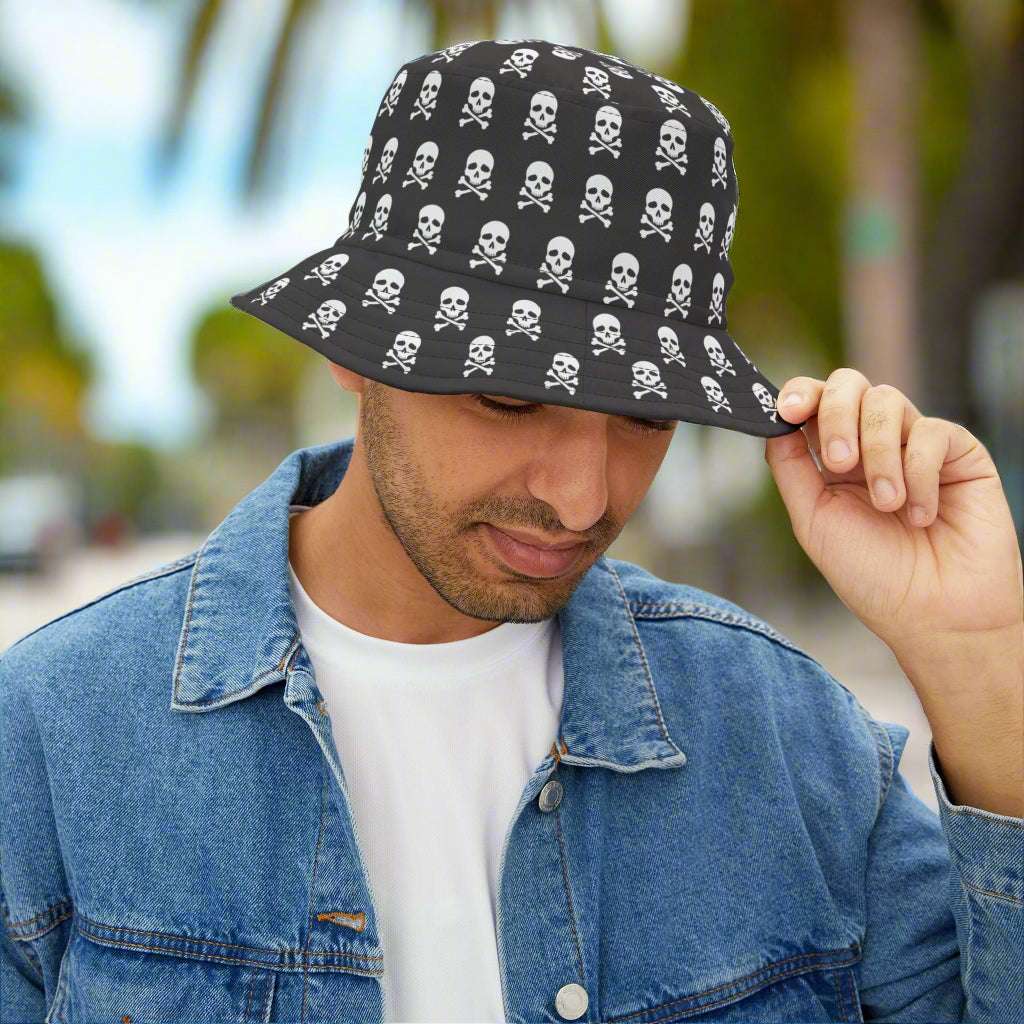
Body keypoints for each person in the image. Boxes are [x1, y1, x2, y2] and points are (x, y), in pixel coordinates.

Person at [2, 38, 1021, 1024]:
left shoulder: (785, 737)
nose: (583, 500)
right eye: (508, 397)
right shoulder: (57, 736)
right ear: (356, 350)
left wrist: (977, 665)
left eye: (643, 415)